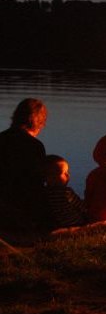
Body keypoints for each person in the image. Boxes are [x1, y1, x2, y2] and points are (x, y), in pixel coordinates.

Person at [0, 98, 48, 230]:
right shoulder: (35, 146)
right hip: (22, 208)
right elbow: (37, 182)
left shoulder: (1, 139)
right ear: (41, 123)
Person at [44, 154, 86, 229]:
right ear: (50, 177)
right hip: (75, 222)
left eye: (67, 172)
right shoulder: (67, 193)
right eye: (64, 173)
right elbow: (81, 206)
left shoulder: (44, 192)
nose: (68, 175)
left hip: (57, 224)